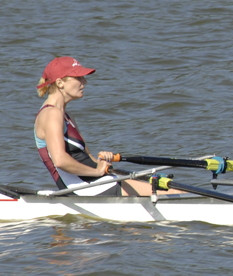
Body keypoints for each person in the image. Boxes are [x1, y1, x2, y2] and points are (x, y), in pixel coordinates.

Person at [34, 56, 162, 196]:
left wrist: (102, 162)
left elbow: (86, 157)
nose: (84, 82)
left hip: (96, 182)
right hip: (84, 189)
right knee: (168, 192)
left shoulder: (66, 115)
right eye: (79, 78)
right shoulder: (51, 114)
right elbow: (60, 161)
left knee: (162, 186)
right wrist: (97, 171)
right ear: (60, 82)